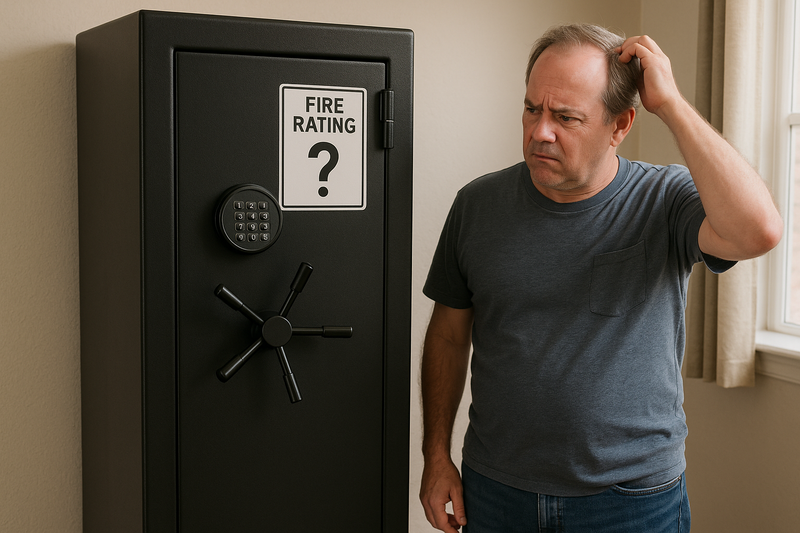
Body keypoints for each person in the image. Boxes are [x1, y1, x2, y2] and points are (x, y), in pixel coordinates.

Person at [419, 23, 782, 533]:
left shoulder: (665, 199)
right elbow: (449, 336)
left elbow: (759, 231)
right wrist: (436, 456)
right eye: (532, 109)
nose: (540, 131)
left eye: (566, 117)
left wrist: (673, 104)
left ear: (620, 125)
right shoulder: (476, 205)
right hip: (497, 492)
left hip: (632, 502)